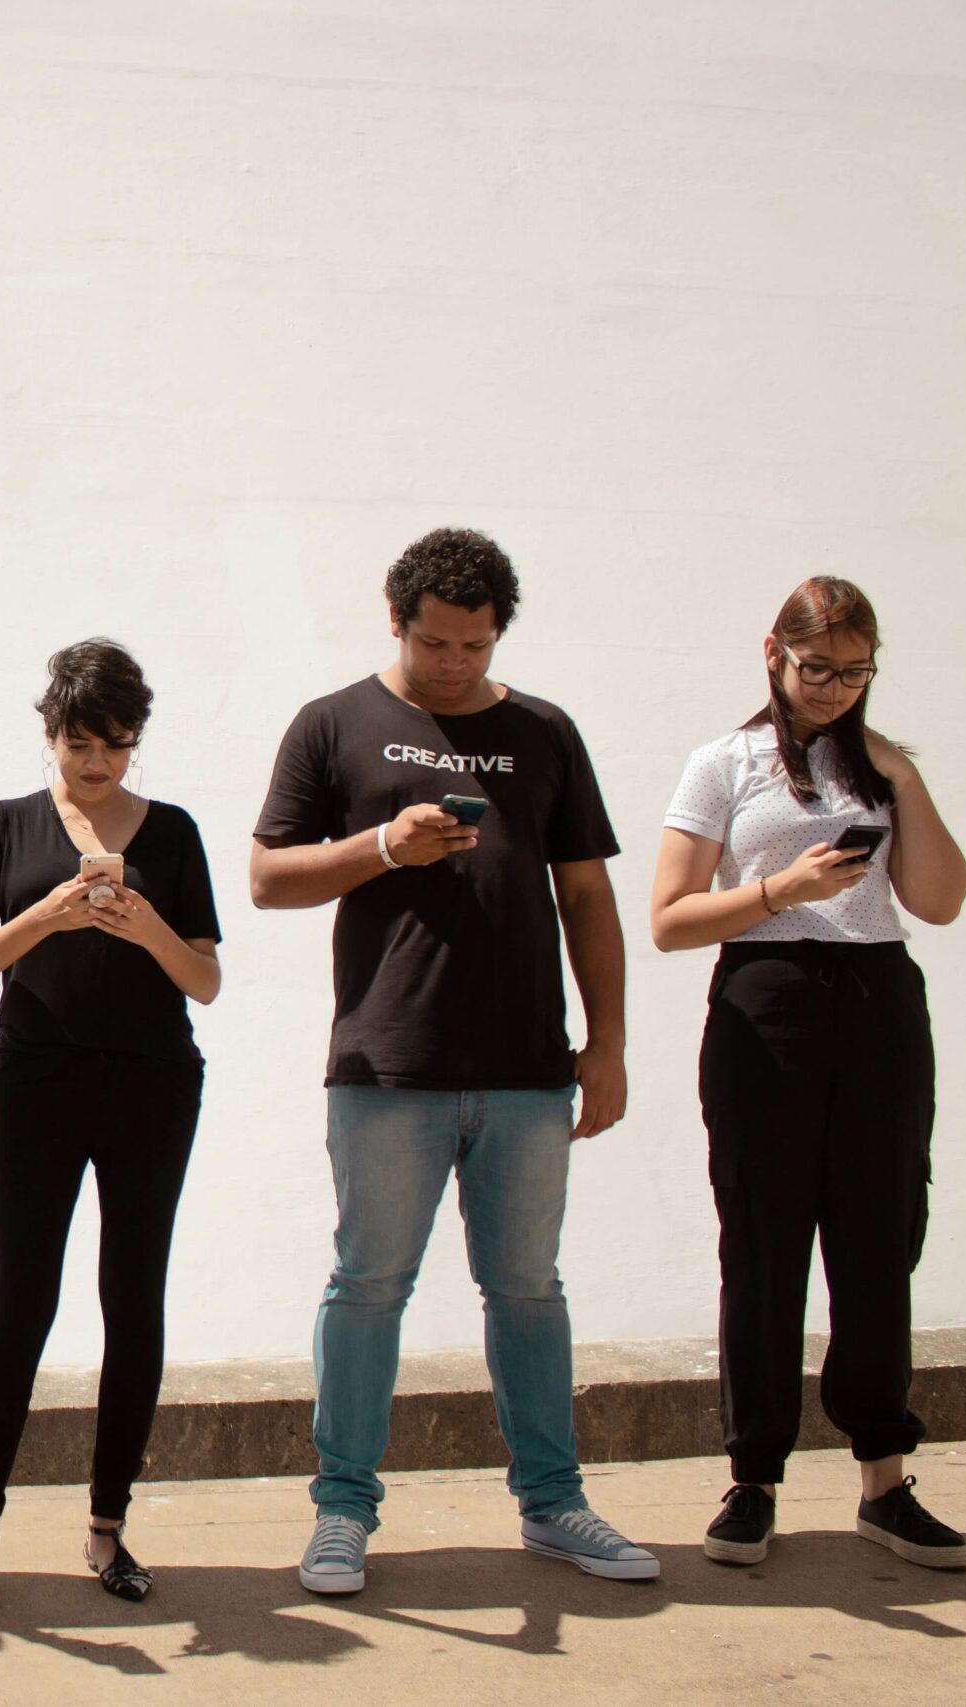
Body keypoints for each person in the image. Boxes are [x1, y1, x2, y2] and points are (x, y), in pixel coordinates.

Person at [248, 527, 658, 1595]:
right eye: (435, 643)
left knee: (527, 1290)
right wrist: (386, 845)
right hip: (389, 1066)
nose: (454, 664)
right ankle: (342, 1513)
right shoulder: (333, 724)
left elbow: (586, 898)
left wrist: (604, 1044)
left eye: (473, 646)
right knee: (367, 1287)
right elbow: (266, 878)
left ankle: (553, 1505)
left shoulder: (545, 732)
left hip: (527, 1068)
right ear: (397, 623)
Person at [651, 577, 966, 1571]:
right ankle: (753, 1478)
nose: (832, 688)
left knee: (880, 1239)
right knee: (763, 1239)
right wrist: (782, 888)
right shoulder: (724, 763)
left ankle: (883, 1479)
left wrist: (900, 781)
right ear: (772, 655)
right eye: (816, 668)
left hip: (878, 1001)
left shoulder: (880, 766)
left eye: (853, 672)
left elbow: (939, 899)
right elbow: (666, 919)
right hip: (765, 996)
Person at [0, 640, 222, 1624]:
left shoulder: (174, 834)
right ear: (48, 732)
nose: (98, 765)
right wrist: (50, 914)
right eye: (80, 744)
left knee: (133, 1299)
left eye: (116, 745)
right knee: (22, 1300)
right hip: (36, 1082)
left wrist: (144, 927)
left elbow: (206, 980)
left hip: (152, 1084)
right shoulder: (9, 826)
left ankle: (107, 1527)